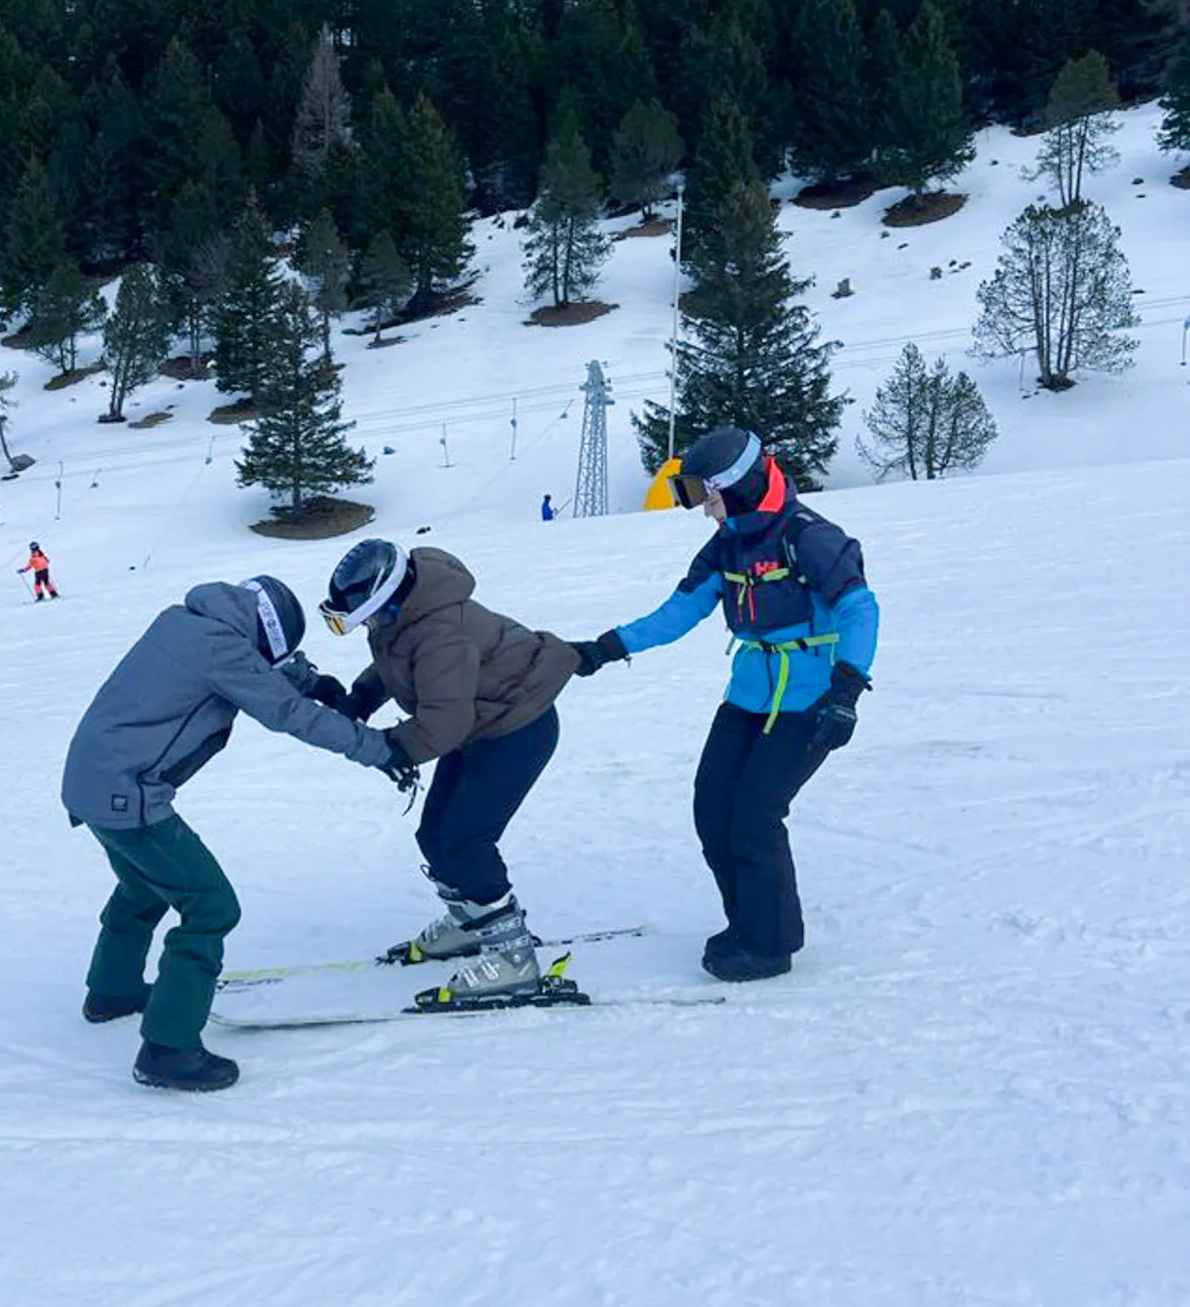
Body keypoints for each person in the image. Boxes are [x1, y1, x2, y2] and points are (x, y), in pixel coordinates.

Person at [61, 576, 404, 1092]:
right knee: (211, 906)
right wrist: (378, 750)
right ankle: (167, 1049)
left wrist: (313, 682)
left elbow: (259, 665)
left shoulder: (192, 623)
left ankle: (113, 990)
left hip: (92, 780)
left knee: (143, 886)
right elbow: (285, 711)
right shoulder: (221, 649)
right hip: (126, 792)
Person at [571, 427, 879, 983]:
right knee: (713, 810)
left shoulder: (808, 536)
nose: (701, 508)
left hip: (809, 700)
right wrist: (604, 648)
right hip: (748, 696)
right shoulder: (727, 544)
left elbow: (859, 607)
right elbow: (678, 612)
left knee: (756, 815)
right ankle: (748, 924)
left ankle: (771, 945)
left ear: (737, 486)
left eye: (703, 495)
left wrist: (847, 691)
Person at [317, 540, 582, 1008]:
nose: (365, 626)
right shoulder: (404, 615)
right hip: (480, 725)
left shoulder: (440, 633)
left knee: (463, 840)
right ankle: (471, 924)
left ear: (388, 600)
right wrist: (362, 698)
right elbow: (395, 663)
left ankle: (513, 959)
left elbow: (442, 726)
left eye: (364, 617)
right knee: (435, 835)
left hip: (518, 728)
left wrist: (388, 749)